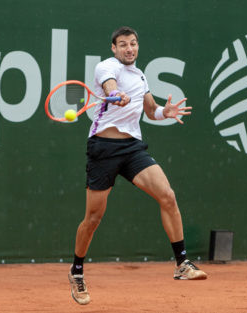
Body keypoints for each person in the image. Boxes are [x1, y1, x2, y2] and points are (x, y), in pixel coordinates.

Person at [68, 26, 207, 305]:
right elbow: (109, 85)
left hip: (132, 149)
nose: (129, 48)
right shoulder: (107, 67)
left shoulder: (141, 76)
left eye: (133, 44)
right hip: (103, 148)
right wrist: (115, 93)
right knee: (93, 219)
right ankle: (77, 270)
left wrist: (163, 112)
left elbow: (150, 110)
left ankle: (181, 264)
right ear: (114, 48)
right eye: (123, 44)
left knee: (167, 196)